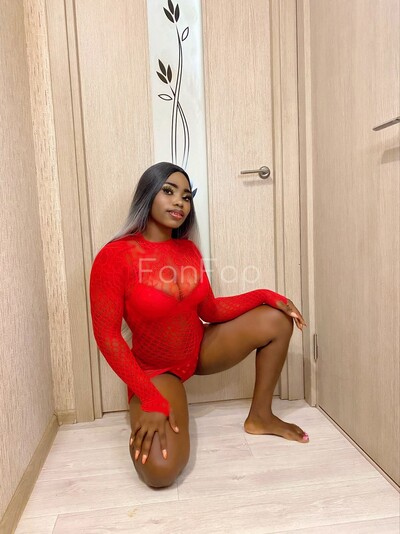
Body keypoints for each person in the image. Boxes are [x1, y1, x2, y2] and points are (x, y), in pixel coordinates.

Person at [89, 162, 308, 488]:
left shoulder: (187, 249)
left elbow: (210, 309)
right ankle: (160, 400)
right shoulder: (115, 256)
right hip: (156, 371)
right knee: (160, 472)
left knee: (277, 320)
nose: (179, 201)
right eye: (168, 191)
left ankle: (261, 416)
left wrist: (264, 295)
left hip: (199, 349)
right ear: (147, 194)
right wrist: (149, 397)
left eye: (186, 196)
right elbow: (107, 336)